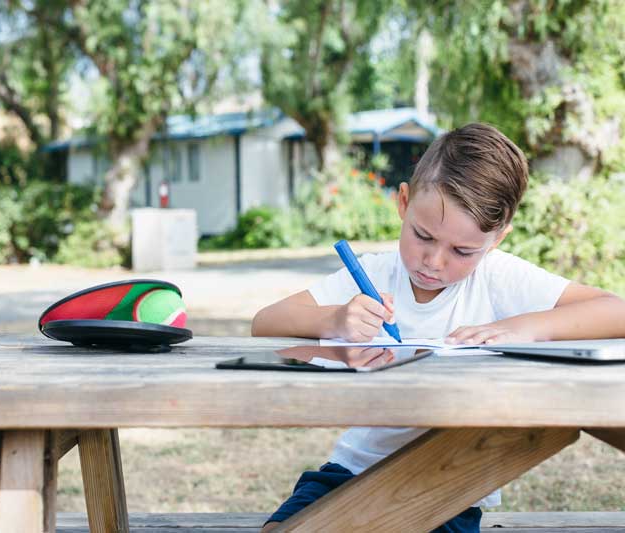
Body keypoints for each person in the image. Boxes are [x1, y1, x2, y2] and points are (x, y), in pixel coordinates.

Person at [251, 123, 625, 532]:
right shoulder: (375, 274)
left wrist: (526, 327)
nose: (434, 261)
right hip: (352, 471)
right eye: (423, 235)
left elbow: (615, 311)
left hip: (451, 487)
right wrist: (335, 318)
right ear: (404, 202)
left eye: (463, 251)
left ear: (497, 239)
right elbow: (264, 322)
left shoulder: (498, 279)